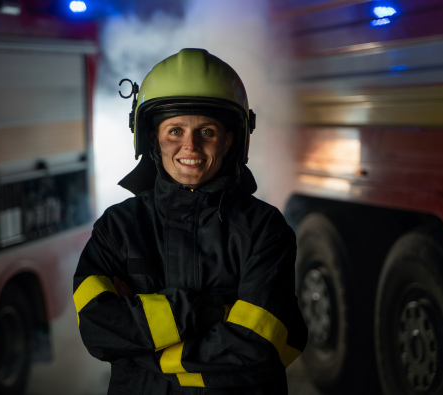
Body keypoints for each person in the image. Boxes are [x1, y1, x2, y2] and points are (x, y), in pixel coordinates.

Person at [73, 48, 307, 394]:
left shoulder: (264, 229)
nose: (191, 147)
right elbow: (98, 329)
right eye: (175, 131)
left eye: (207, 132)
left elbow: (261, 349)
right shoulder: (118, 227)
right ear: (152, 137)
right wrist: (211, 312)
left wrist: (142, 353)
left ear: (230, 140)